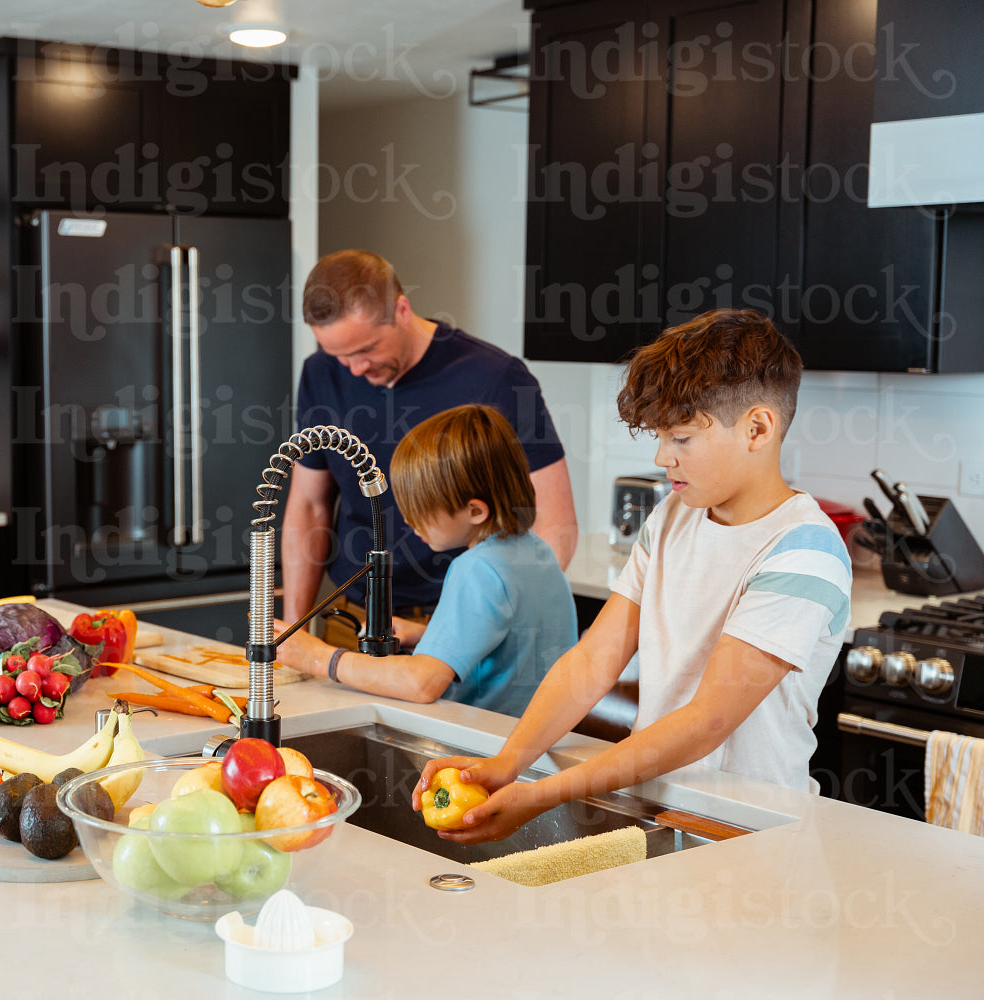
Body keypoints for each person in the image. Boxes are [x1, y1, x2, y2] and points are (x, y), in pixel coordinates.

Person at [411, 309, 852, 843]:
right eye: (662, 437)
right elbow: (593, 661)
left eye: (682, 438)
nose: (664, 457)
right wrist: (508, 763)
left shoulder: (804, 550)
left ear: (758, 428)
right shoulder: (672, 517)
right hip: (657, 807)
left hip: (748, 827)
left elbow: (707, 720)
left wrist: (542, 793)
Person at [282, 250, 577, 648]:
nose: (354, 368)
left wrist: (501, 622)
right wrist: (292, 629)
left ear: (401, 309)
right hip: (354, 620)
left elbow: (554, 523)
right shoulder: (320, 374)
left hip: (463, 617)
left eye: (366, 349)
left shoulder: (495, 378)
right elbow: (308, 505)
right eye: (339, 355)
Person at [272, 404, 576, 714]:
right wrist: (427, 635)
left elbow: (422, 685)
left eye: (421, 509)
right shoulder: (538, 553)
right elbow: (508, 643)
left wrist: (319, 658)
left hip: (481, 746)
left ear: (475, 511)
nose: (409, 521)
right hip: (530, 745)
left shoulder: (476, 569)